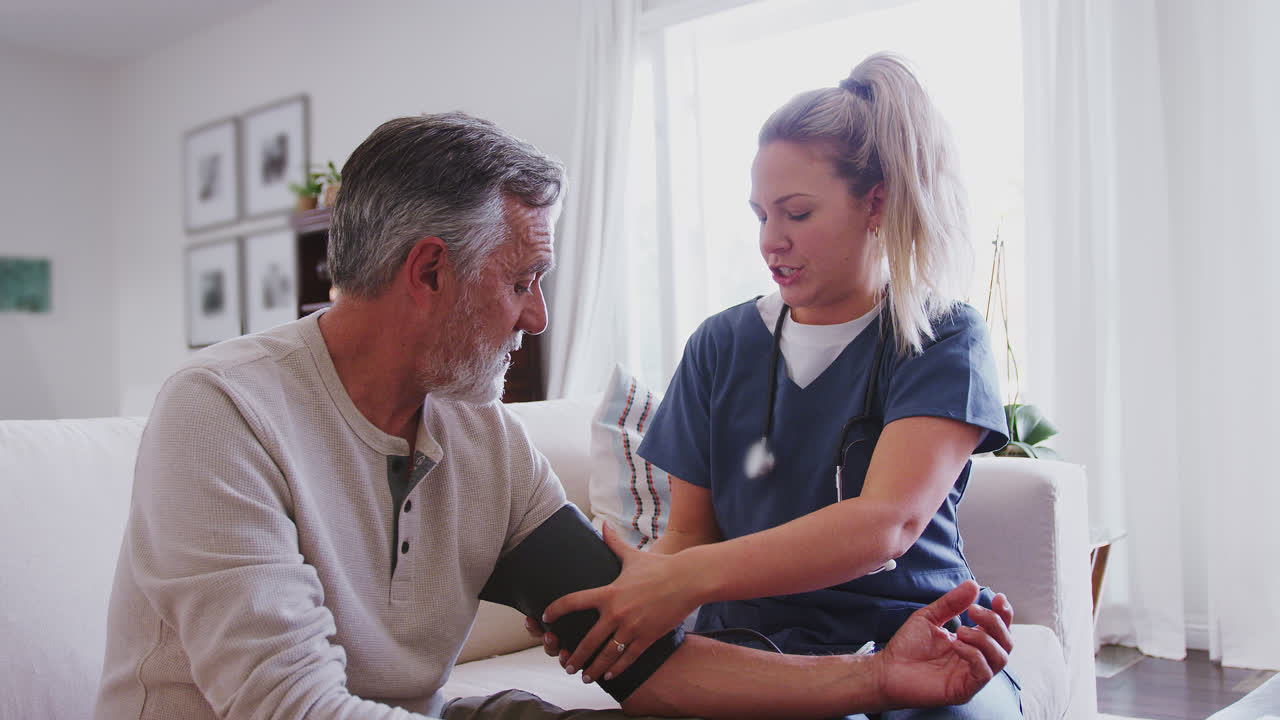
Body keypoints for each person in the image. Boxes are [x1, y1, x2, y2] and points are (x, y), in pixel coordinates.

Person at [93, 111, 1014, 720]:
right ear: (427, 273)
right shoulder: (223, 414)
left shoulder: (484, 443)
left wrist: (875, 677)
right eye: (524, 279)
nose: (537, 315)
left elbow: (639, 660)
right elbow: (293, 709)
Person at [541, 54, 1021, 718]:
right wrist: (639, 591)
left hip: (922, 634)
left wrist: (682, 579)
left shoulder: (940, 336)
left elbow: (887, 524)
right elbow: (688, 534)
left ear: (875, 202)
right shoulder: (720, 346)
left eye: (796, 213)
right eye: (761, 214)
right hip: (751, 647)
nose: (771, 241)